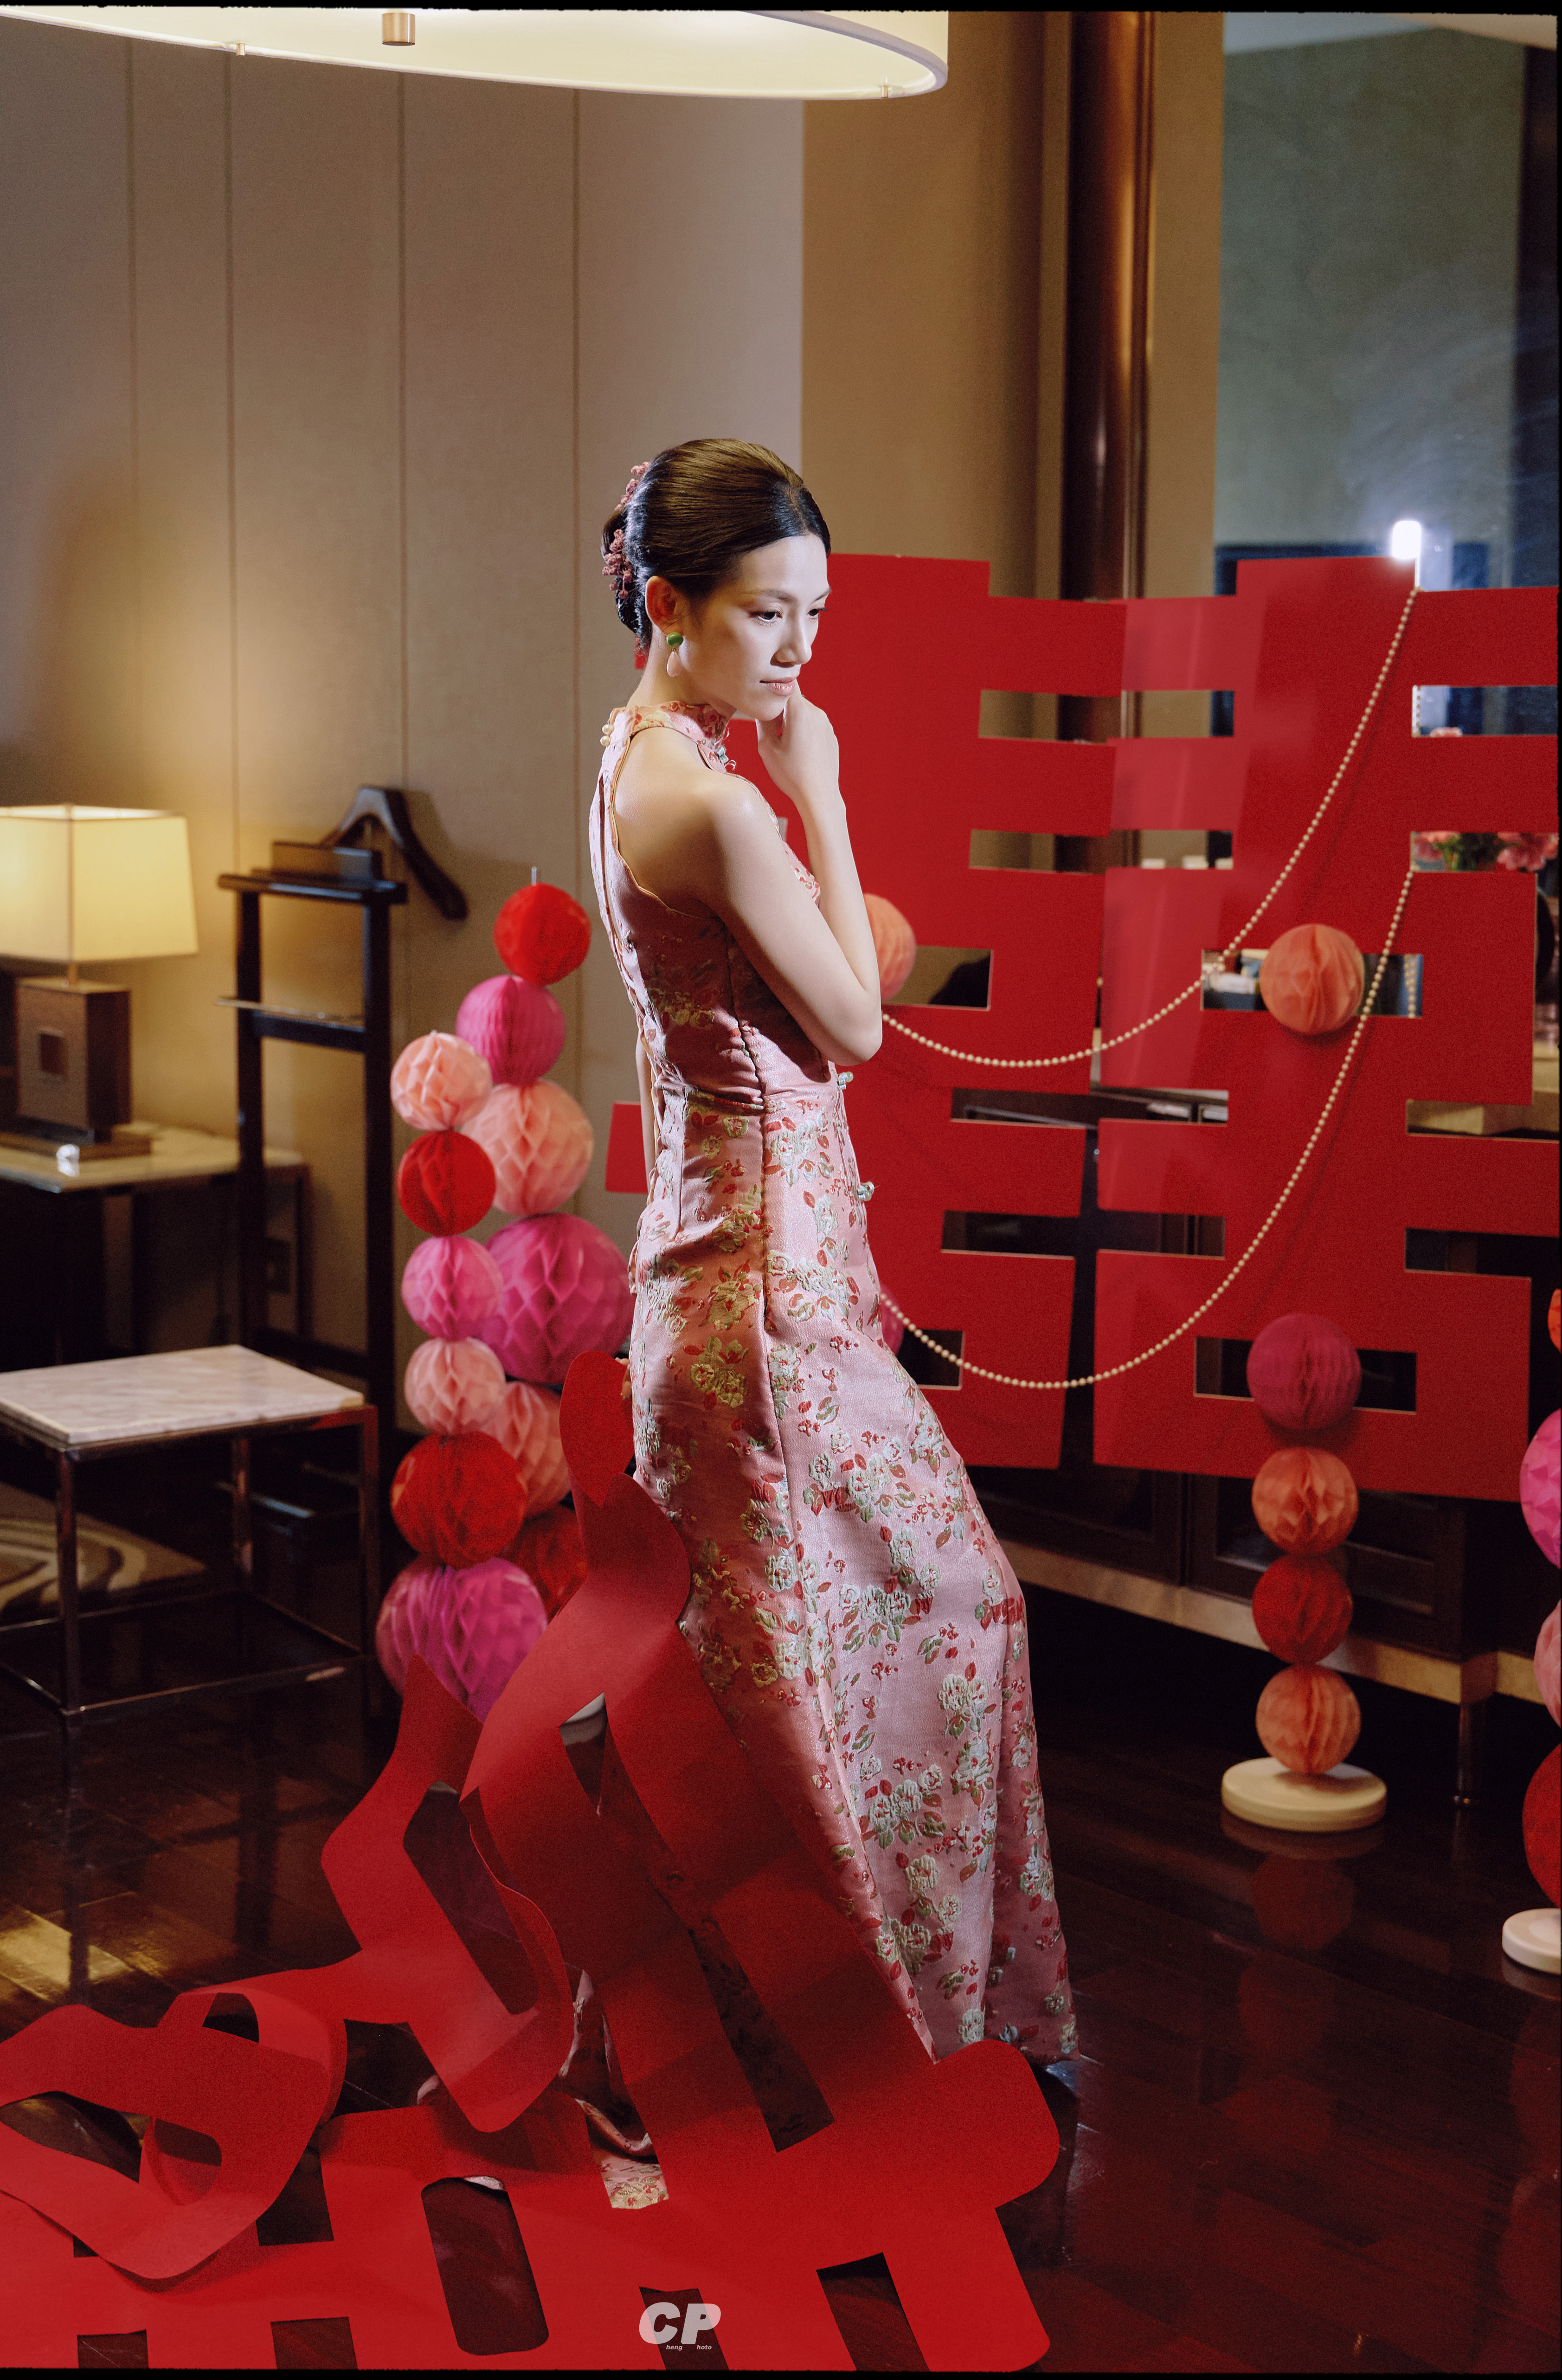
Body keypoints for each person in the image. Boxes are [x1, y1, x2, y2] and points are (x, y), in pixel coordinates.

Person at [586, 439, 1077, 2079]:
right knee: (939, 1622)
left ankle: (755, 2060)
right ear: (669, 605)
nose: (799, 648)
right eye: (766, 612)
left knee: (769, 1691)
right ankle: (869, 2065)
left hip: (730, 1283)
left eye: (816, 612)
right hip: (763, 1315)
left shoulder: (633, 757)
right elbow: (860, 1021)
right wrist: (830, 794)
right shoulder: (719, 800)